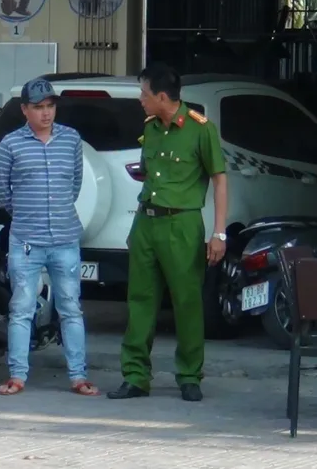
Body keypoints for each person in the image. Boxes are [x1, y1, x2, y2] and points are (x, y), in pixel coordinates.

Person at [107, 63, 227, 403]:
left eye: (144, 94)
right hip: (146, 222)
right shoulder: (151, 128)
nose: (140, 100)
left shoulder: (200, 129)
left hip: (182, 225)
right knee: (140, 301)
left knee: (187, 302)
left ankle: (189, 376)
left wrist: (220, 233)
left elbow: (219, 179)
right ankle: (135, 376)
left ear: (162, 96)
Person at [0, 78, 97, 397]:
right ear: (25, 110)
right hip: (25, 240)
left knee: (70, 308)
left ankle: (78, 376)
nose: (46, 113)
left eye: (50, 106)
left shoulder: (71, 140)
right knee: (21, 308)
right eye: (38, 107)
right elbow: (2, 191)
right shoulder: (10, 144)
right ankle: (17, 375)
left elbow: (75, 184)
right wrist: (28, 214)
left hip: (65, 239)